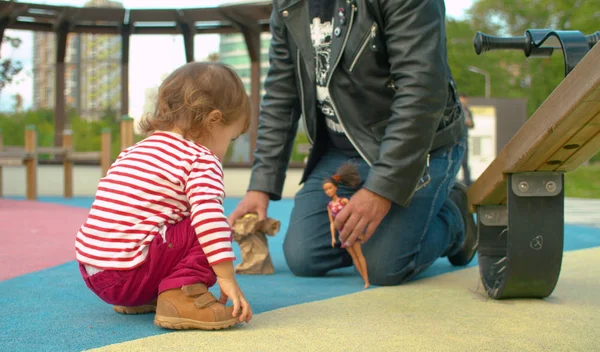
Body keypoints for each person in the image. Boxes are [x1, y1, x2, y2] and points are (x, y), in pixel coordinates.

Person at [229, 0, 478, 286]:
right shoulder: (288, 4)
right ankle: (385, 229)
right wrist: (260, 186)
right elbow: (281, 95)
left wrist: (382, 190)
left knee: (382, 266)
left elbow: (420, 92)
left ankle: (454, 218)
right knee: (304, 256)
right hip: (343, 151)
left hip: (421, 146)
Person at [75, 62, 253, 330]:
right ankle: (182, 296)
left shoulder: (135, 150)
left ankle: (148, 294)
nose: (226, 149)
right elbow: (208, 219)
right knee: (212, 225)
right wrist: (226, 277)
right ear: (214, 120)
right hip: (130, 273)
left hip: (95, 272)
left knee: (171, 224)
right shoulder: (200, 158)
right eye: (230, 138)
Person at [324, 162, 369, 288]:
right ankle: (364, 279)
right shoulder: (330, 206)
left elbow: (352, 215)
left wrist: (359, 231)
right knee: (354, 256)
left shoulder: (343, 201)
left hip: (352, 230)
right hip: (342, 233)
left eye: (330, 188)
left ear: (336, 188)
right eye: (326, 189)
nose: (328, 191)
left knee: (359, 255)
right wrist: (333, 237)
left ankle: (366, 280)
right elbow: (332, 223)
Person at [459, 93, 474, 186]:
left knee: (465, 162)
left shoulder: (467, 111)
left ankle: (468, 183)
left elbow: (472, 125)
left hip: (464, 139)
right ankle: (452, 183)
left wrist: (469, 123)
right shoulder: (456, 110)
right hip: (456, 139)